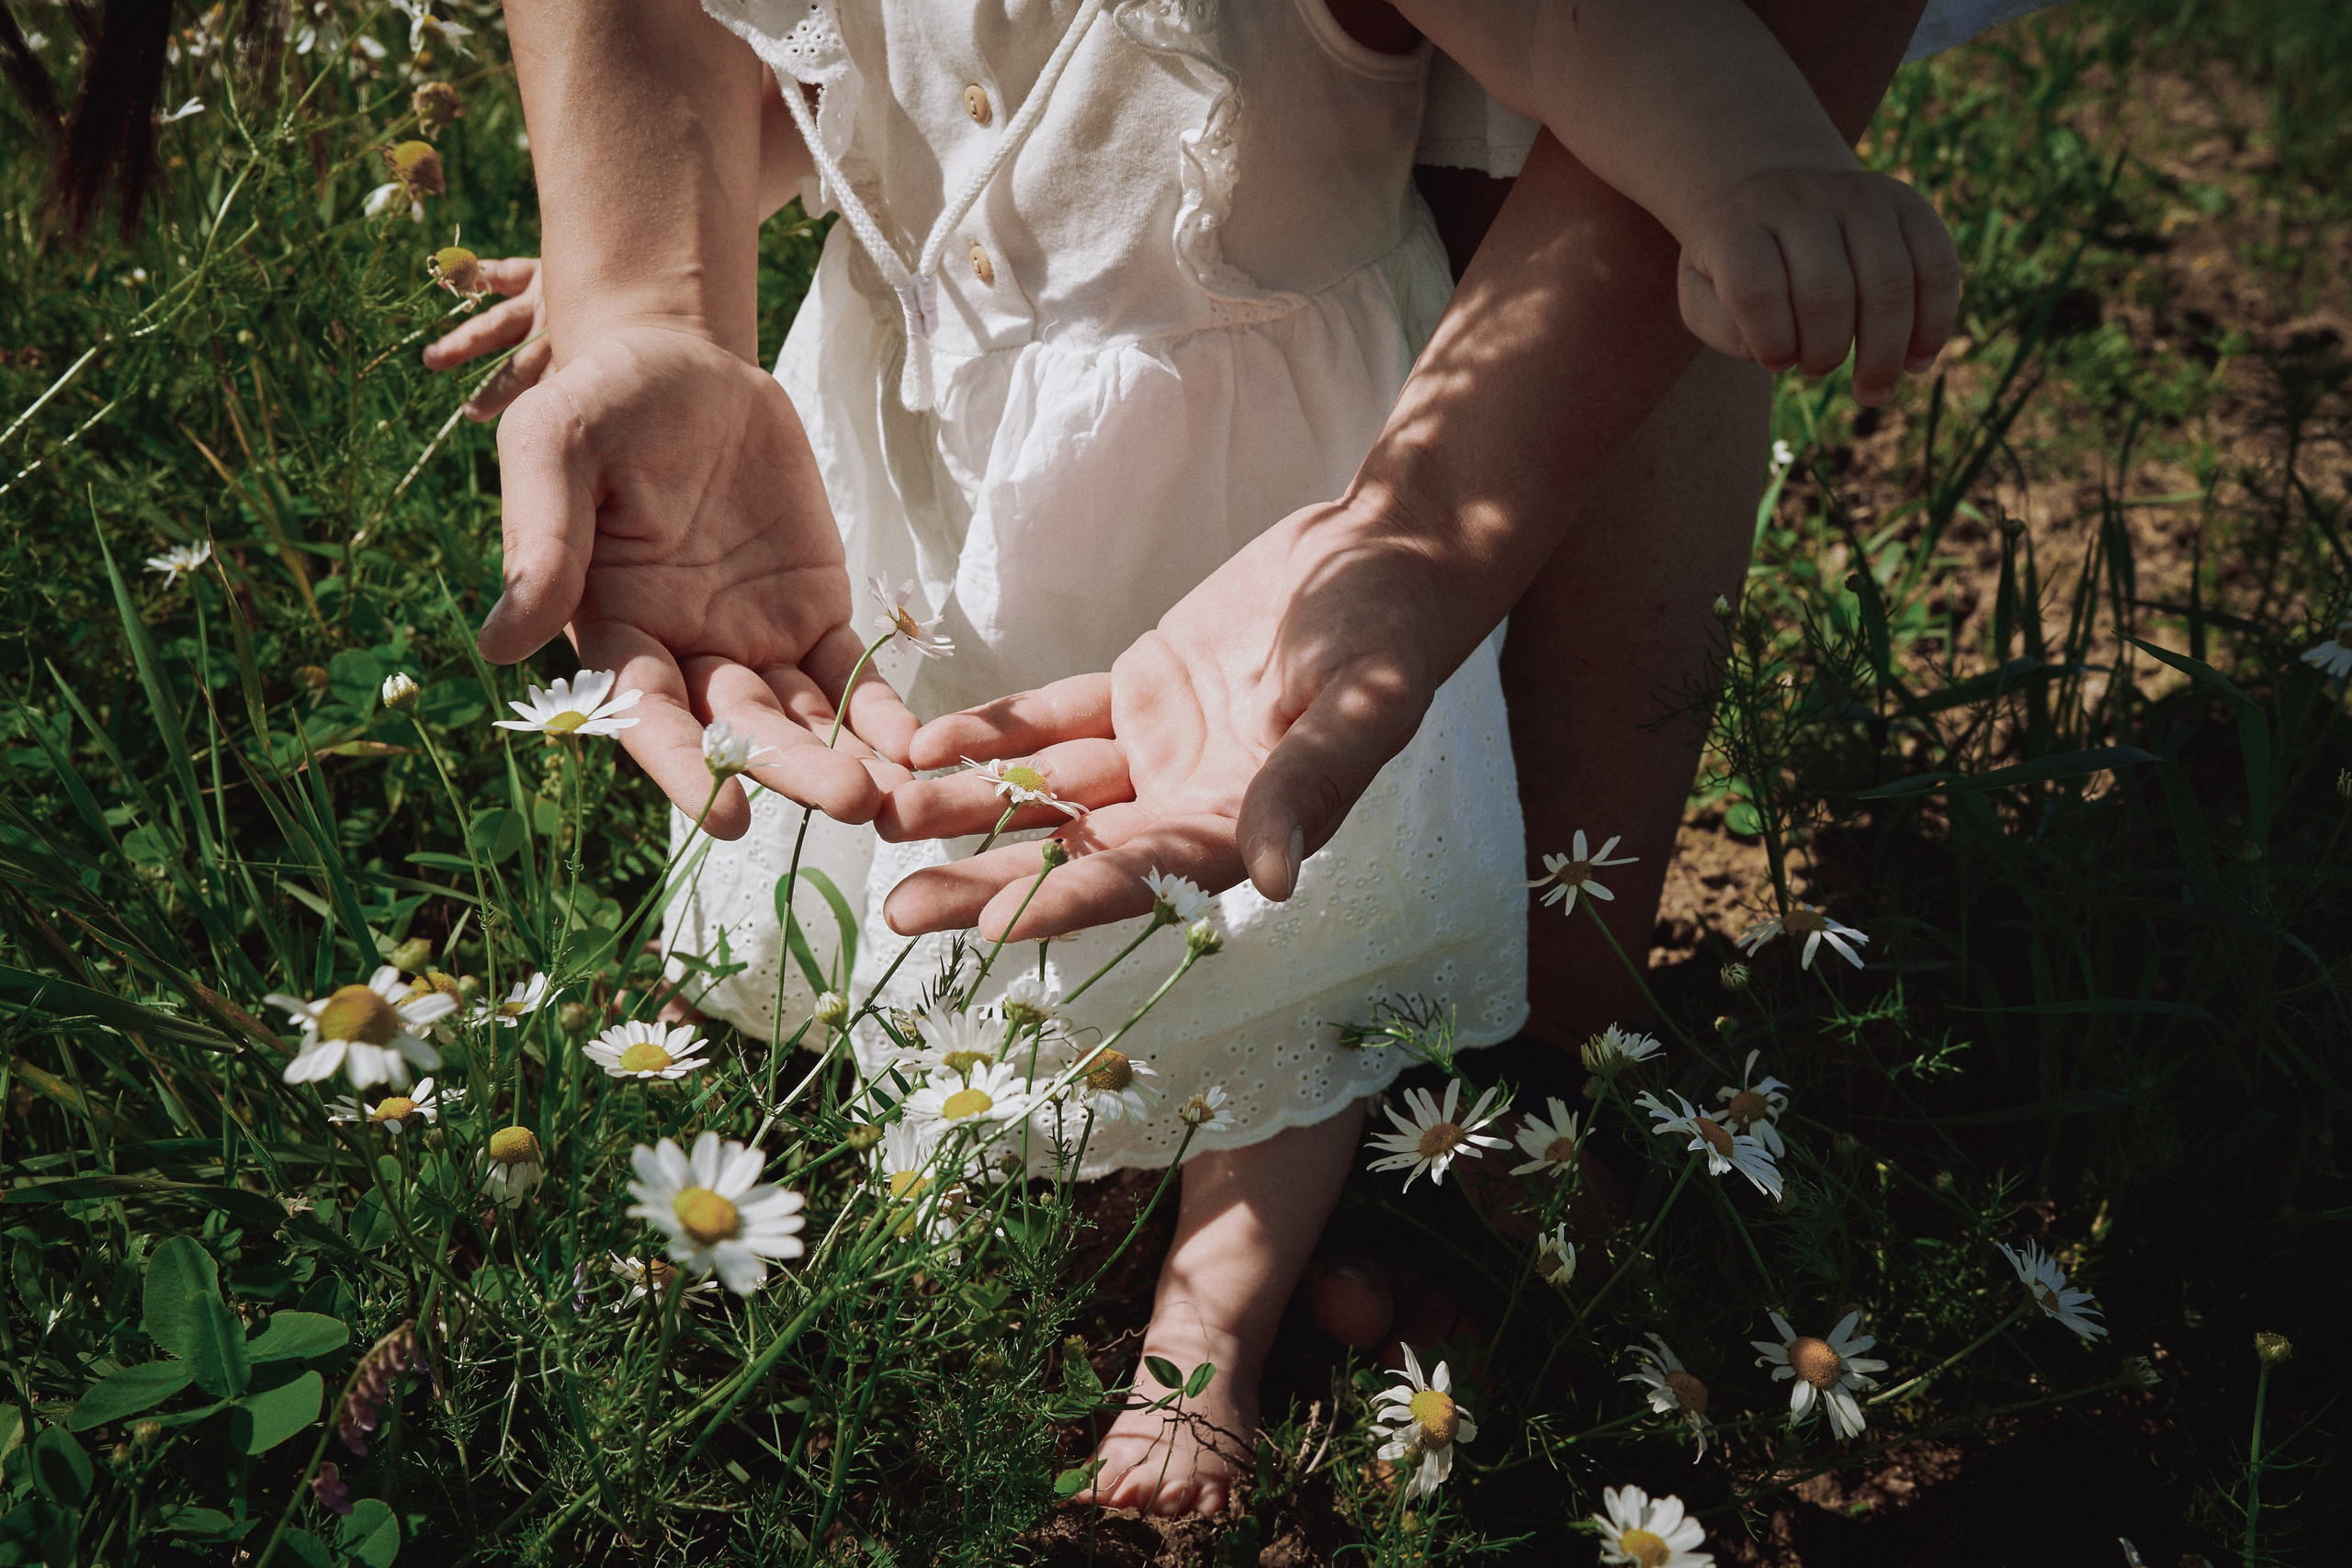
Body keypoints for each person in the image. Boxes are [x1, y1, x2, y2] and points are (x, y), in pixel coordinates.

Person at [434, 0, 2049, 1521]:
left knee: (1288, 950)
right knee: (956, 856)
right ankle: (984, 1173)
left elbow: (1582, 24)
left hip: (1279, 496)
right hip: (943, 480)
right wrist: (630, 283)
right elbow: (824, 86)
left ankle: (1207, 1344)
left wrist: (1750, 158)